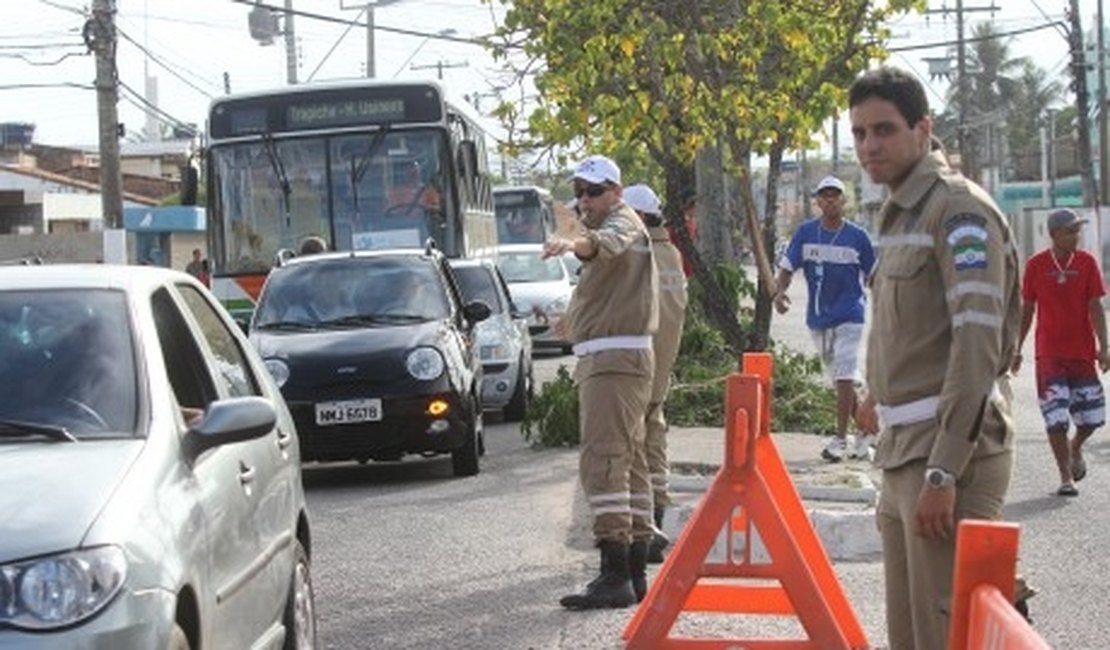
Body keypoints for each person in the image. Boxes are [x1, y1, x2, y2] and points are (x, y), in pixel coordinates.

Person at [850, 66, 1022, 650]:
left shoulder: (957, 212)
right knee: (911, 637)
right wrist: (878, 393)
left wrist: (944, 471)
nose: (870, 146)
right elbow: (912, 329)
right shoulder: (899, 211)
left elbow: (977, 347)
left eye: (884, 130)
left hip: (949, 458)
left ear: (923, 129)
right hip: (904, 452)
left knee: (949, 637)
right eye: (859, 134)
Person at [543, 155, 658, 610]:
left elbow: (604, 244)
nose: (584, 200)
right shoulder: (614, 221)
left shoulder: (622, 221)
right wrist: (573, 319)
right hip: (610, 357)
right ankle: (631, 571)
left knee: (604, 462)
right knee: (627, 465)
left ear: (617, 190)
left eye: (594, 191)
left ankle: (616, 574)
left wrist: (574, 245)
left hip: (614, 361)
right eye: (580, 192)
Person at [773, 175, 876, 463]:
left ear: (844, 201)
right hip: (818, 318)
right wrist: (779, 293)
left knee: (844, 374)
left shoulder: (858, 237)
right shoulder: (805, 233)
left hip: (850, 314)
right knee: (841, 380)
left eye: (835, 195)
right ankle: (867, 433)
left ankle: (840, 440)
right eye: (824, 195)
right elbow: (787, 267)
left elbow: (874, 276)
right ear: (817, 201)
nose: (830, 200)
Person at [1012, 208, 1109, 497]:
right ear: (1054, 234)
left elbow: (1096, 307)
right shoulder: (1036, 265)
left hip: (1081, 354)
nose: (1076, 235)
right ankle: (1066, 477)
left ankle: (1075, 446)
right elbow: (1027, 308)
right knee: (1056, 418)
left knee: (1093, 418)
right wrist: (1017, 348)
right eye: (1070, 230)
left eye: (1077, 230)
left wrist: (1104, 346)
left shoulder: (1087, 263)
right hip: (1049, 355)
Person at [623, 183, 688, 565]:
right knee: (654, 438)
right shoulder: (672, 255)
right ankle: (656, 516)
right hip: (661, 367)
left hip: (638, 367)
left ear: (642, 218)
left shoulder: (640, 255)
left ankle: (645, 531)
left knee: (635, 450)